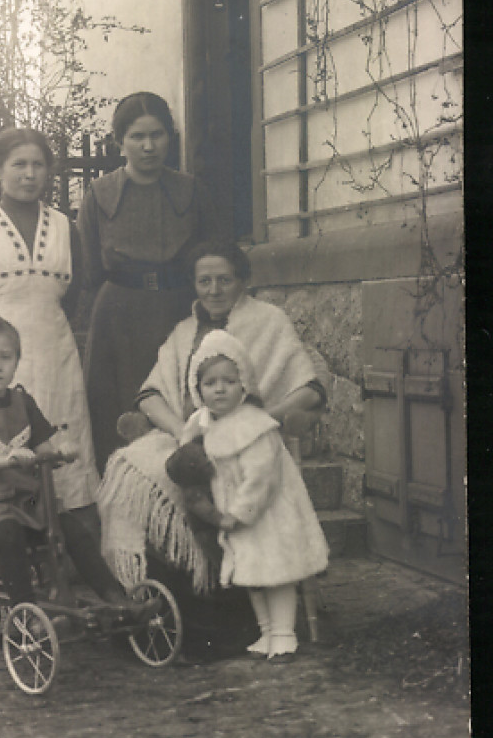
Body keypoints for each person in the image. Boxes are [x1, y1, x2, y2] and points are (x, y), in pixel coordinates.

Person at [97, 238, 328, 660]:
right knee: (136, 480)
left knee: (205, 485)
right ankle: (163, 606)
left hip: (247, 446)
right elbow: (149, 393)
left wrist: (261, 421)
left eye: (224, 279)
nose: (214, 289)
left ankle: (220, 617)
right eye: (204, 281)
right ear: (194, 285)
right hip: (193, 437)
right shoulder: (184, 332)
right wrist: (185, 431)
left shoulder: (267, 321)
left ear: (241, 280)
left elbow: (310, 389)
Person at [0, 127, 100, 643]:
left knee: (61, 477)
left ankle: (58, 593)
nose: (30, 174)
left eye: (38, 165)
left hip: (54, 362)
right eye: (18, 165)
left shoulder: (66, 228)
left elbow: (76, 300)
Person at [0, 314, 158, 649]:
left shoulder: (22, 401)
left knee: (71, 529)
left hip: (21, 502)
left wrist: (60, 450)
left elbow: (42, 444)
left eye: (5, 358)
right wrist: (5, 459)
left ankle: (118, 598)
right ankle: (27, 613)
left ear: (16, 362)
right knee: (8, 536)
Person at [77, 92, 220, 473]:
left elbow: (214, 257)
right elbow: (88, 270)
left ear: (169, 138)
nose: (148, 145)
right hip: (117, 319)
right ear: (119, 141)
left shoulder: (192, 192)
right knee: (117, 417)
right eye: (137, 136)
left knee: (180, 409)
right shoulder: (99, 196)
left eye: (157, 135)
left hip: (178, 313)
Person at [180, 328, 328, 662]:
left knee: (277, 573)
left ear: (244, 383)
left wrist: (241, 511)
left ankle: (284, 632)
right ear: (197, 388)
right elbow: (188, 446)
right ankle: (265, 632)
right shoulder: (202, 422)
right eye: (210, 383)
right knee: (251, 574)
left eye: (229, 381)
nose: (219, 389)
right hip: (232, 513)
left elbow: (262, 477)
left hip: (270, 513)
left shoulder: (255, 425)